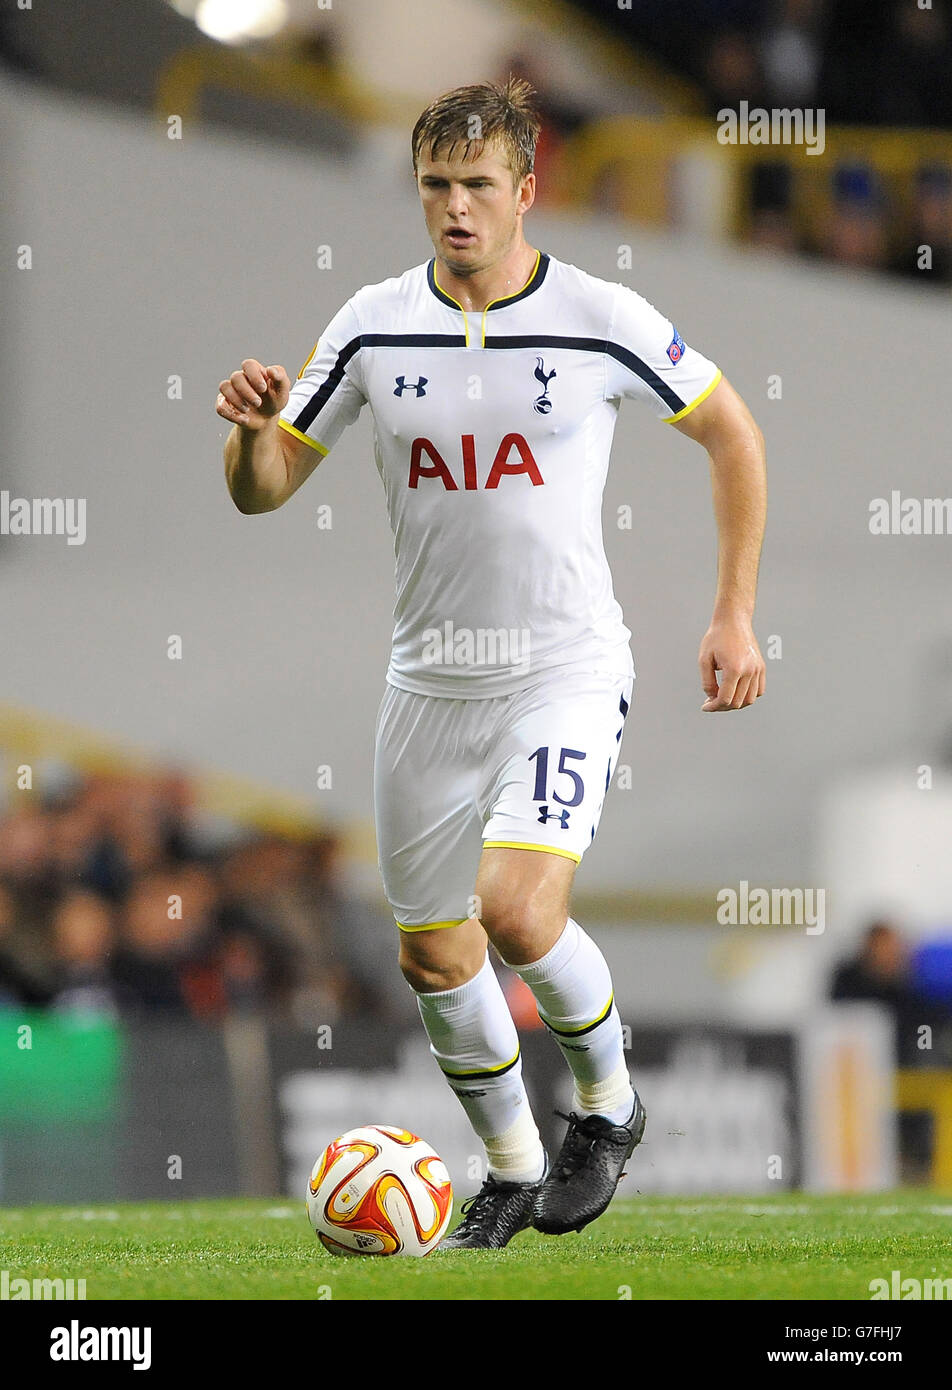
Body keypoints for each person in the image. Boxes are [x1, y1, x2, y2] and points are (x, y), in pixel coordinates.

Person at [216, 78, 767, 1248]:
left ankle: (608, 1110)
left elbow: (732, 433)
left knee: (515, 908)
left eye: (477, 186)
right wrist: (252, 433)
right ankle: (512, 1165)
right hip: (425, 684)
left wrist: (732, 614)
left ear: (526, 190)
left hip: (561, 668)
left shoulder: (599, 315)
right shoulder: (370, 322)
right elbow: (264, 495)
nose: (455, 209)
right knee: (431, 948)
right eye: (434, 186)